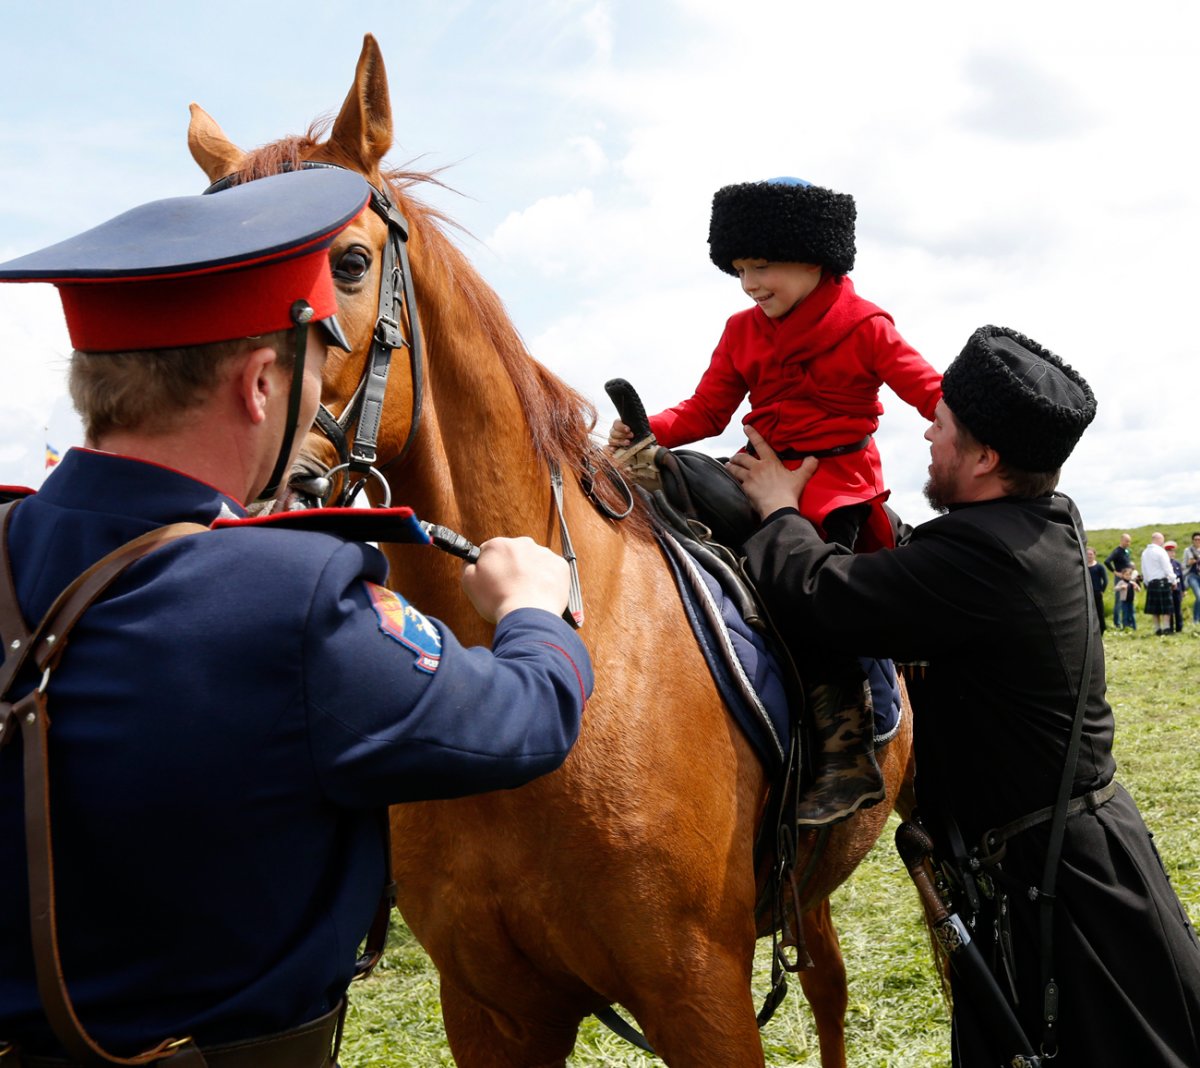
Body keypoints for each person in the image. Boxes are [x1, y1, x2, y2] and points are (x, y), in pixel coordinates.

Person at [0, 170, 593, 1065]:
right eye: (318, 364)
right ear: (260, 385)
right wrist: (534, 612)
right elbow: (529, 717)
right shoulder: (294, 597)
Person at [728, 324, 1200, 1067]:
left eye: (941, 424)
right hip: (1069, 864)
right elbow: (919, 569)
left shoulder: (983, 558)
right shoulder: (1034, 525)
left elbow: (824, 595)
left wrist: (780, 509)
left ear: (984, 459)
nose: (927, 432)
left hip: (1058, 889)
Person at [609, 176, 941, 824]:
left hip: (835, 485)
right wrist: (649, 431)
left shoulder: (868, 327)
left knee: (807, 595)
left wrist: (982, 432)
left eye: (762, 266)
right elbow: (708, 410)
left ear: (814, 258)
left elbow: (929, 391)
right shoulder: (741, 331)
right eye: (739, 270)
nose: (749, 285)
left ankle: (847, 754)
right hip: (757, 470)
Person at [1141, 531, 1178, 635]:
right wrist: (1173, 580)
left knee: (1155, 609)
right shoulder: (1161, 551)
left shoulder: (1145, 553)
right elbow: (1167, 567)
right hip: (1162, 581)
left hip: (1151, 583)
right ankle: (1166, 629)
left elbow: (1144, 569)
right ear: (1159, 540)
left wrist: (1146, 582)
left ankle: (1157, 629)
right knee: (1166, 608)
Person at [1103, 533, 1134, 629]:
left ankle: (1127, 622)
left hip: (1128, 578)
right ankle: (1117, 623)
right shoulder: (1117, 551)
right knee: (1119, 601)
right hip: (1120, 579)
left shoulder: (1126, 551)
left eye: (1129, 541)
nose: (1128, 543)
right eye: (1127, 541)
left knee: (1128, 599)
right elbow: (1107, 561)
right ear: (1122, 540)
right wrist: (1115, 572)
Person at [1086, 545, 1107, 633]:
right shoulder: (1084, 567)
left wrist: (1102, 590)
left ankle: (1102, 629)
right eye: (1087, 554)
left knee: (1099, 611)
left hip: (1097, 592)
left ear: (1094, 555)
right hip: (1086, 593)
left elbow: (1105, 580)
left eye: (1091, 554)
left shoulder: (1099, 567)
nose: (1089, 556)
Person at [1166, 540, 1185, 632]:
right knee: (1170, 609)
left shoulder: (1177, 563)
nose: (1172, 553)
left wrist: (1183, 590)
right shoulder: (1165, 564)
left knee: (1178, 608)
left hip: (1177, 588)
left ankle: (1179, 627)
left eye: (1173, 552)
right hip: (1169, 588)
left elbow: (1181, 577)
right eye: (1170, 552)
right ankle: (1170, 627)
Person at [1114, 565, 1140, 630]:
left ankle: (1133, 627)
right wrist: (1121, 587)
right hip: (1124, 601)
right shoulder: (1121, 582)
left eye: (1129, 575)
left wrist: (1136, 588)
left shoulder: (1132, 583)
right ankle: (1125, 626)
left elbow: (1139, 589)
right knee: (1125, 613)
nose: (1128, 576)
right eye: (1126, 575)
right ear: (1123, 575)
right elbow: (1115, 588)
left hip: (1131, 601)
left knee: (1132, 614)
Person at [1182, 531, 1200, 624]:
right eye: (1195, 539)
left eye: (1199, 539)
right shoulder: (1188, 550)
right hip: (1192, 575)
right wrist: (1190, 562)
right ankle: (1195, 620)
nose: (1197, 541)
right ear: (1192, 540)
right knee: (1199, 596)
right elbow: (1184, 564)